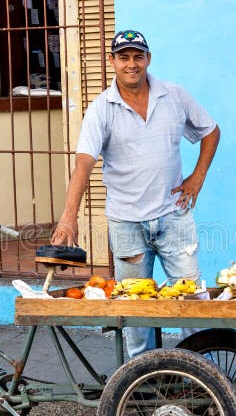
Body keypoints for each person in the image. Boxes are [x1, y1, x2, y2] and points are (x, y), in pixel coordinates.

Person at [50, 29, 220, 358]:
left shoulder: (174, 96)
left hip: (174, 217)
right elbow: (83, 164)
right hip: (127, 223)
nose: (132, 64)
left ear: (148, 59)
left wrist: (196, 178)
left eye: (137, 57)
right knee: (135, 311)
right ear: (112, 62)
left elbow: (211, 131)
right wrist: (68, 218)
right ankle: (142, 387)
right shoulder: (102, 109)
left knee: (193, 305)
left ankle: (206, 380)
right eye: (124, 57)